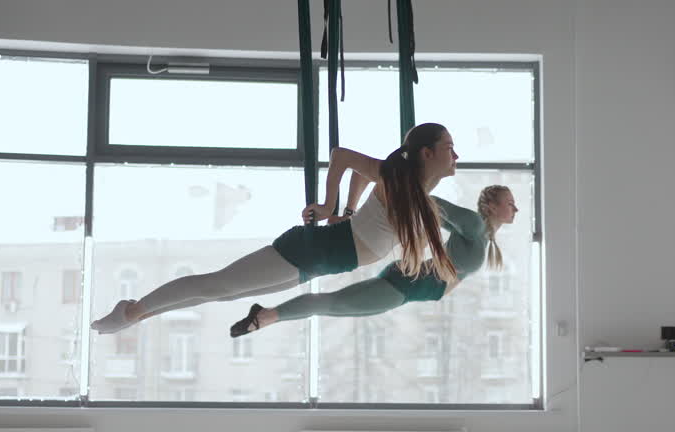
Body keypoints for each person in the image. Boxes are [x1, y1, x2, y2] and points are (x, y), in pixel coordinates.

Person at [91, 123, 459, 334]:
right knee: (215, 284)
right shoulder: (401, 181)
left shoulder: (414, 188)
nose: (455, 155)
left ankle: (134, 315)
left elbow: (363, 177)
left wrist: (347, 210)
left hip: (321, 262)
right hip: (314, 252)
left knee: (221, 294)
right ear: (427, 153)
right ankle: (132, 311)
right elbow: (342, 157)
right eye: (449, 147)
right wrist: (329, 206)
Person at [229, 185, 518, 336]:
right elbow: (430, 204)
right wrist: (406, 193)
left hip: (412, 288)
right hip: (408, 285)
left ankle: (266, 314)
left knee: (331, 306)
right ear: (491, 206)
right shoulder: (474, 224)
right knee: (330, 305)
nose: (514, 208)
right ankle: (265, 315)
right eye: (509, 202)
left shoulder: (482, 235)